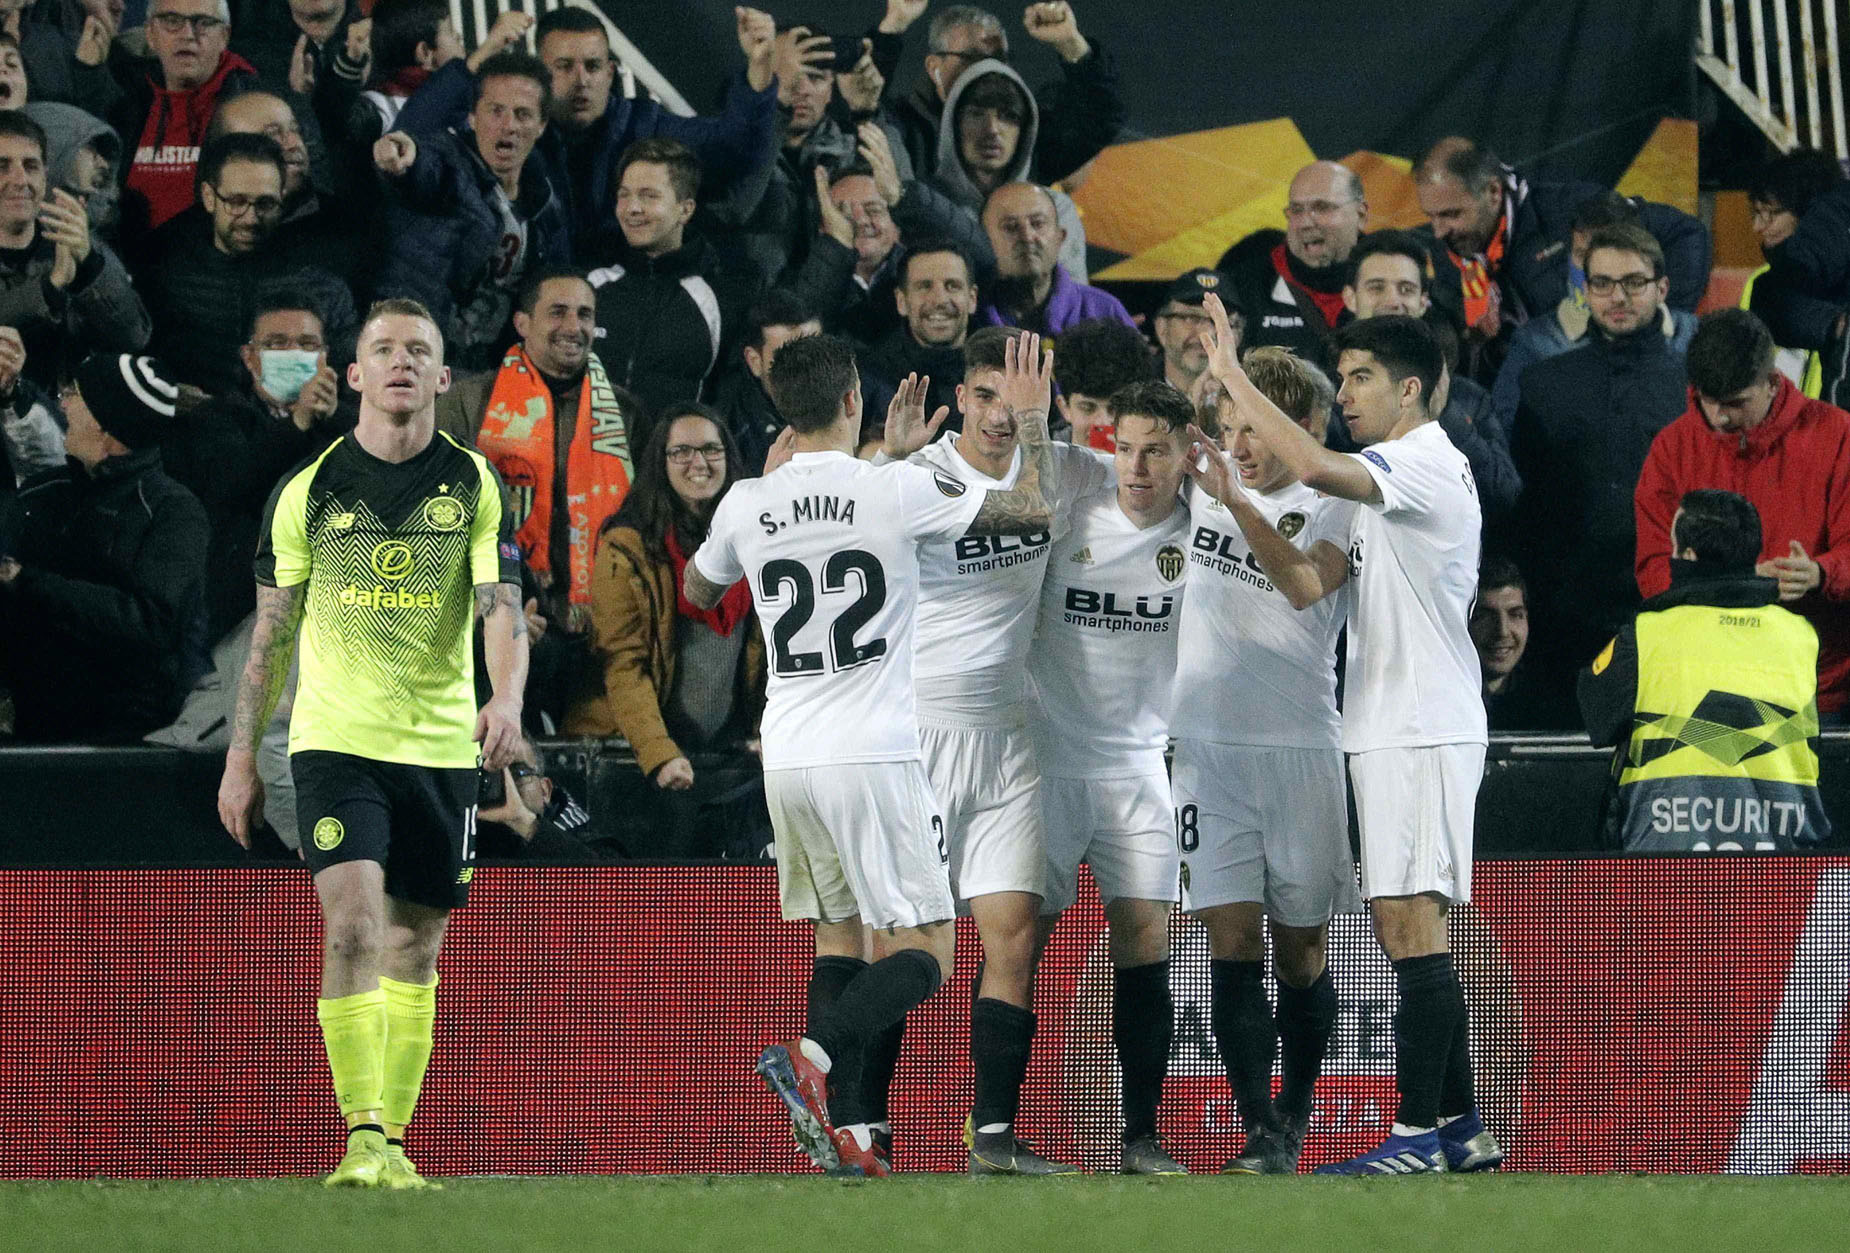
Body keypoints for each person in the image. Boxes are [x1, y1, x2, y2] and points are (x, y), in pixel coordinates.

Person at [685, 331, 1059, 1177]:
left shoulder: (749, 499)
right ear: (854, 397)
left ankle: (855, 1132)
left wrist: (780, 503)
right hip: (877, 751)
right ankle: (811, 1058)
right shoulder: (895, 489)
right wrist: (1032, 425)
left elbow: (699, 590)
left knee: (838, 936)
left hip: (786, 755)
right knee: (927, 948)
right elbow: (1027, 511)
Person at [217, 298, 528, 1190]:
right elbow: (270, 637)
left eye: (417, 351)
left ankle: (393, 1139)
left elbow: (498, 606)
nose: (400, 362)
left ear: (440, 377)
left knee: (416, 947)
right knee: (352, 924)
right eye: (381, 349)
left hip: (438, 747)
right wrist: (242, 758)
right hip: (335, 743)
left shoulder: (473, 483)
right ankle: (359, 1136)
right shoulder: (308, 489)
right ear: (353, 374)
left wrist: (503, 696)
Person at [1189, 296, 1499, 1175]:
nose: (1350, 392)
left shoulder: (1420, 465)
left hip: (1419, 725)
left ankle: (1409, 1137)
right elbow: (1304, 580)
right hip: (1394, 726)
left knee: (1411, 930)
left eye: (1362, 378)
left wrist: (1233, 375)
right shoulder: (1392, 480)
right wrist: (1239, 503)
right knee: (1410, 926)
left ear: (1410, 389)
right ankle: (1464, 1128)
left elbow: (1317, 469)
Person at [873, 324, 1111, 1176]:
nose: (1003, 416)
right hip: (920, 739)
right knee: (907, 948)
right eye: (986, 396)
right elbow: (1030, 508)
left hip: (1011, 739)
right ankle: (864, 1132)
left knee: (1014, 939)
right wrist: (879, 464)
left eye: (1018, 400)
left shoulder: (1064, 463)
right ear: (958, 397)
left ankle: (996, 1142)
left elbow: (1150, 484)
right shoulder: (923, 477)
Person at [1169, 346, 1358, 1174]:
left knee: (1302, 950)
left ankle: (1298, 1103)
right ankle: (1260, 1129)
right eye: (1230, 425)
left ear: (1304, 428)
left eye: (1258, 426)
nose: (1239, 444)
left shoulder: (1339, 504)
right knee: (1231, 940)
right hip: (1206, 753)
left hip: (1302, 752)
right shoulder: (1197, 491)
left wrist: (1237, 503)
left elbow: (1307, 586)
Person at [1031, 379, 1192, 1175]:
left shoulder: (1203, 528)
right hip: (1048, 759)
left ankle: (1141, 1135)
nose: (1136, 466)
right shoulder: (1072, 507)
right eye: (1125, 447)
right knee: (1016, 943)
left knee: (1146, 942)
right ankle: (996, 1123)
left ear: (1185, 455)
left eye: (1156, 450)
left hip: (1138, 765)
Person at [1582, 489, 1829, 851]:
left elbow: (1596, 716)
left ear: (1689, 556)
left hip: (1664, 863)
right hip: (1782, 861)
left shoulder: (1646, 632)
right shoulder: (1800, 635)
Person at [1634, 308, 1850, 722]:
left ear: (1772, 382)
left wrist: (1820, 574)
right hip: (1703, 686)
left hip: (1817, 692)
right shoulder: (1671, 449)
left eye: (1735, 403)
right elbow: (1653, 568)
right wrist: (1740, 589)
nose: (1719, 418)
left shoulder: (1838, 437)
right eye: (1707, 402)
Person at [1508, 224, 1690, 701]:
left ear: (1661, 288)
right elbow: (1524, 502)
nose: (1618, 296)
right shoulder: (1543, 384)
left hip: (1666, 604)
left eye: (1633, 281)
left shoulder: (1694, 387)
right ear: (1585, 290)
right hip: (1563, 613)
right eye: (1603, 283)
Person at [566, 404, 765, 815]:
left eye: (712, 449)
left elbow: (772, 656)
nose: (699, 463)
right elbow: (624, 663)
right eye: (682, 452)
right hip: (637, 754)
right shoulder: (628, 545)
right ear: (661, 462)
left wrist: (768, 731)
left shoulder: (755, 536)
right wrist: (659, 752)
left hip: (723, 752)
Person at [0, 351, 207, 743]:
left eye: (75, 393)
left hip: (121, 741)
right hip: (30, 727)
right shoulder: (45, 494)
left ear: (107, 426)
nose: (61, 402)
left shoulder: (172, 511)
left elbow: (151, 624)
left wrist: (28, 582)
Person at [437, 266, 640, 640]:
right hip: (495, 620)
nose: (573, 326)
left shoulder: (626, 414)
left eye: (584, 314)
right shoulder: (466, 403)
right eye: (557, 312)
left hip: (600, 625)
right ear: (522, 323)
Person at [1412, 137, 1711, 384]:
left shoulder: (1566, 211)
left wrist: (1656, 323)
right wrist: (1474, 341)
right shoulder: (1446, 252)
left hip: (1609, 374)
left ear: (1493, 191)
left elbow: (1684, 233)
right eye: (1431, 216)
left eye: (1451, 214)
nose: (1438, 232)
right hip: (1532, 390)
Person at [160, 287, 349, 650]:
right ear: (249, 357)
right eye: (277, 344)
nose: (294, 354)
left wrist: (333, 422)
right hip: (239, 612)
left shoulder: (352, 431)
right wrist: (299, 422)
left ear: (325, 357)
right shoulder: (214, 420)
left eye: (308, 344)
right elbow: (235, 485)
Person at [373, 51, 569, 373]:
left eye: (522, 114)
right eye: (496, 111)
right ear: (472, 117)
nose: (508, 126)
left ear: (542, 125)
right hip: (416, 358)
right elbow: (426, 169)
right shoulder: (451, 163)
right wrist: (403, 161)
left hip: (488, 372)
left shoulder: (545, 206)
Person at [140, 130, 356, 396]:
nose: (251, 218)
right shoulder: (166, 282)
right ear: (209, 197)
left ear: (283, 198)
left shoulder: (321, 287)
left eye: (266, 204)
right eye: (236, 202)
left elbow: (351, 382)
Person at [1486, 192, 1698, 439]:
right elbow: (1508, 436)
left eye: (1613, 253)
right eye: (1583, 254)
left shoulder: (1692, 335)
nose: (1596, 267)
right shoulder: (1536, 343)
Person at [1343, 230, 1519, 522]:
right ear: (1350, 297)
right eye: (1376, 287)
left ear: (1423, 302)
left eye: (1406, 289)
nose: (1393, 301)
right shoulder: (1323, 385)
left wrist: (1441, 413)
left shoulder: (1466, 398)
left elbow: (1504, 496)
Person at [584, 137, 757, 427]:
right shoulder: (590, 284)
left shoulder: (721, 298)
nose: (632, 208)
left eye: (649, 196)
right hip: (584, 465)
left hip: (670, 466)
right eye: (624, 195)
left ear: (685, 209)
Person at [887, 3, 1121, 197]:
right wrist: (890, 29)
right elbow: (857, 108)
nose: (989, 69)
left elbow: (1104, 114)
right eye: (973, 58)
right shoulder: (899, 128)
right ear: (934, 67)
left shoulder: (1023, 134)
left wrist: (1071, 42)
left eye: (999, 59)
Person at [0, 109, 147, 394]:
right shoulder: (58, 268)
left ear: (45, 177)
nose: (20, 180)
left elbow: (134, 337)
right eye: (2, 166)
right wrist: (51, 286)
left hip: (70, 425)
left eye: (31, 166)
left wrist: (90, 270)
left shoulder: (77, 244)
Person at [112, 0, 259, 238]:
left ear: (224, 36)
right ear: (150, 33)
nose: (188, 35)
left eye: (203, 23)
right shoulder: (126, 103)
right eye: (172, 21)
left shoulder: (252, 105)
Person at [1217, 161, 1366, 371]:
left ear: (1361, 215)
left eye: (1321, 207)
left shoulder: (1396, 281)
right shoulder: (1246, 284)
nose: (1306, 223)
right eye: (1296, 210)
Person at [1741, 149, 1846, 399]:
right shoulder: (1766, 283)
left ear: (1809, 216)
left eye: (1770, 214)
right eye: (1755, 213)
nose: (1758, 227)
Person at [978, 180, 1129, 335]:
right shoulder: (968, 317)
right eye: (1010, 227)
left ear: (1060, 238)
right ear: (983, 240)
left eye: (1037, 223)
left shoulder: (1104, 313)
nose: (1027, 236)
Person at [859, 240, 977, 434]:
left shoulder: (999, 370)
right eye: (924, 287)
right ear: (901, 301)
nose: (939, 300)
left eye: (952, 286)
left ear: (972, 298)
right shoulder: (869, 378)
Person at [711, 289, 820, 473]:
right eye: (787, 358)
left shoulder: (860, 403)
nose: (805, 369)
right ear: (754, 361)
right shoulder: (726, 431)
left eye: (816, 353)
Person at [1470, 557, 1553, 731]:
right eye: (1485, 616)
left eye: (1515, 615)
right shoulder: (1442, 703)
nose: (1502, 631)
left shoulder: (1549, 705)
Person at [1052, 314, 1152, 450]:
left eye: (1116, 408)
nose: (1102, 422)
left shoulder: (1165, 466)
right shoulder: (1038, 465)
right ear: (1064, 408)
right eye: (1088, 408)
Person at [1151, 269, 1226, 399]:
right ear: (1162, 328)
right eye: (1191, 318)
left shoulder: (1255, 401)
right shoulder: (1129, 398)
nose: (1207, 333)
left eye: (1218, 320)